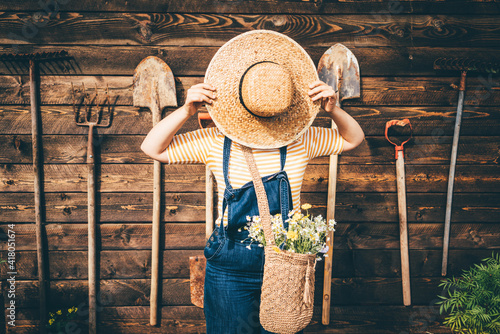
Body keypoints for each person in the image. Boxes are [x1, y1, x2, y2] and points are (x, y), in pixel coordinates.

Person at [141, 30, 364, 334]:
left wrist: (333, 109)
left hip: (286, 265)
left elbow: (354, 140)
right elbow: (152, 148)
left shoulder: (303, 139)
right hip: (230, 267)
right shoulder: (214, 142)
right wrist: (185, 110)